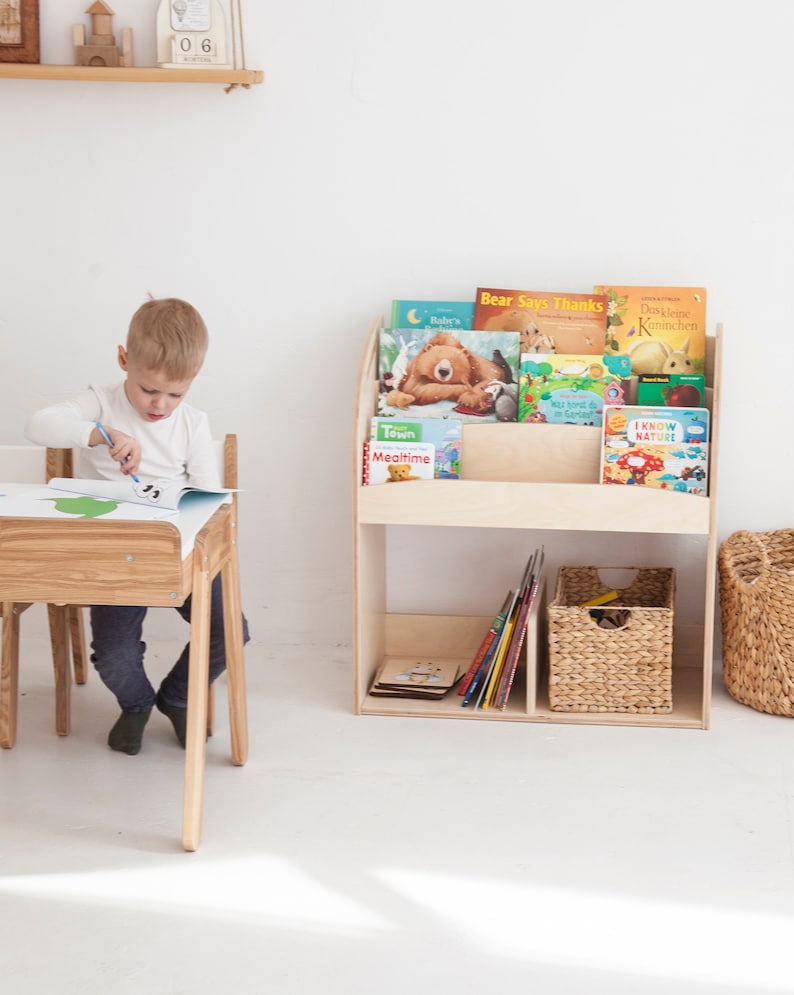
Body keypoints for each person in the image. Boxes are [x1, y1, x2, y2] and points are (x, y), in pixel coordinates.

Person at [26, 297, 249, 756]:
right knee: (113, 654)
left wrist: (190, 522)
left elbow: (207, 498)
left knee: (230, 630)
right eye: (149, 390)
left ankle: (178, 696)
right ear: (124, 360)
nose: (160, 405)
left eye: (176, 394)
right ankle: (137, 704)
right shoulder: (99, 403)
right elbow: (39, 423)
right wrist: (100, 433)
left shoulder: (192, 424)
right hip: (114, 553)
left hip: (177, 548)